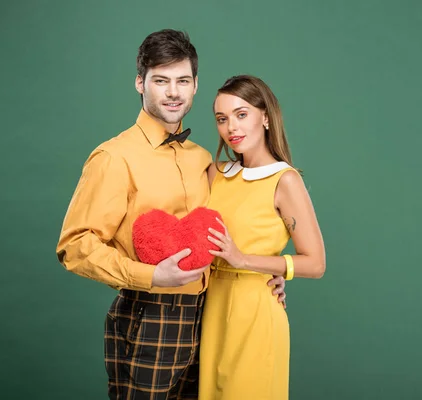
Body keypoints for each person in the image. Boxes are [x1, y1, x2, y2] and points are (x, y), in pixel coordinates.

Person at [55, 31, 285, 400]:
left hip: (210, 315)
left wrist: (266, 272)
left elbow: (227, 231)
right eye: (161, 81)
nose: (173, 92)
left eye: (182, 81)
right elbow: (74, 246)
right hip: (149, 316)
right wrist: (151, 275)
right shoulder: (114, 157)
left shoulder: (203, 158)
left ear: (195, 86)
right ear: (140, 83)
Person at [199, 75, 326, 399]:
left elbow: (316, 263)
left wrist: (246, 260)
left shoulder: (285, 181)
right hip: (211, 310)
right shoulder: (216, 173)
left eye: (242, 114)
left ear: (265, 117)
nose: (231, 128)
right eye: (222, 118)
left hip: (255, 315)